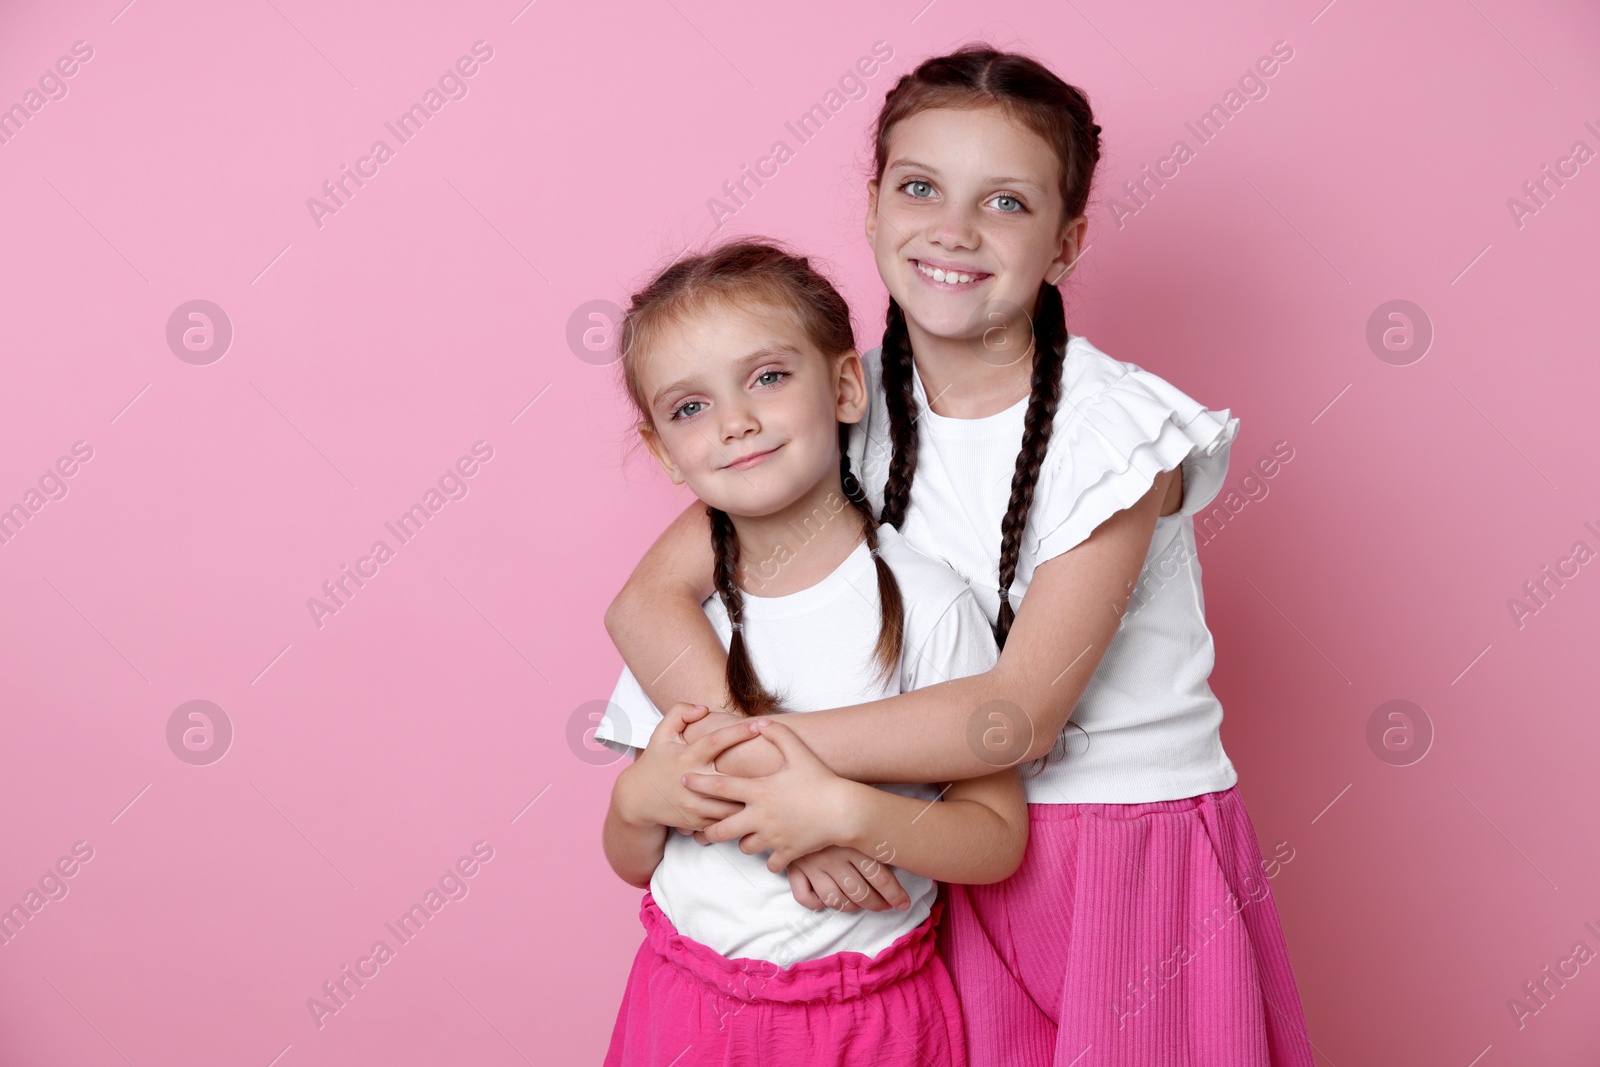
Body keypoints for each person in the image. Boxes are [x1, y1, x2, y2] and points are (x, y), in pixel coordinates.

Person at [604, 44, 1317, 1067]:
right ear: (873, 206)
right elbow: (646, 600)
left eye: (1007, 204)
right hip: (935, 848)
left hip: (1114, 851)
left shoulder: (1115, 432)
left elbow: (1017, 714)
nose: (953, 228)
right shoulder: (834, 403)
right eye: (920, 186)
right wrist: (777, 784)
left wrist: (778, 765)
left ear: (1066, 245)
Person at [594, 237, 1028, 1067]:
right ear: (662, 454)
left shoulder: (931, 606)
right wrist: (634, 803)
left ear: (843, 385)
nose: (735, 421)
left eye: (767, 377)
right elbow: (633, 861)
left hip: (866, 1022)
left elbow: (996, 840)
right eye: (689, 408)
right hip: (681, 1004)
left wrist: (843, 814)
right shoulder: (690, 627)